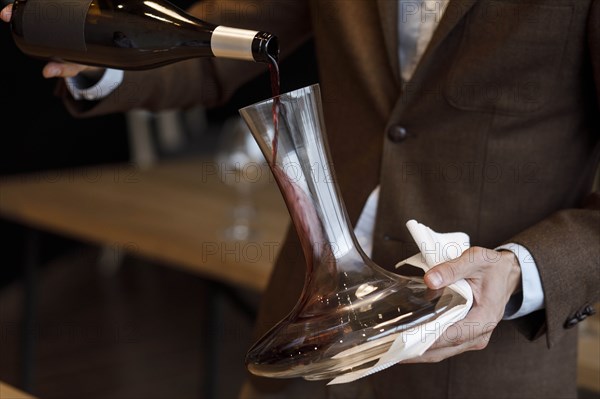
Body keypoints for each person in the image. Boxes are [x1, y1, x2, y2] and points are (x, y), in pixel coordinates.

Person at [2, 1, 599, 398]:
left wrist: (521, 271)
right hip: (305, 349)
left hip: (485, 368)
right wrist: (102, 63)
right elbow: (217, 41)